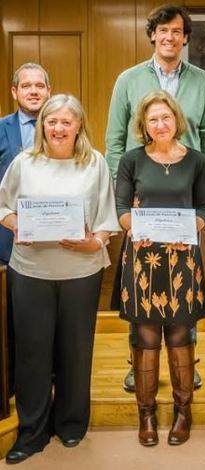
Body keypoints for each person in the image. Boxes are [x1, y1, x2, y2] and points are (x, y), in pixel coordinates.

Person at [0, 94, 120, 464]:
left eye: (66, 121)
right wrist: (18, 224)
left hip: (81, 272)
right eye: (51, 122)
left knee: (75, 351)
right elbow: (3, 206)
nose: (58, 128)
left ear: (79, 125)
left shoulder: (94, 163)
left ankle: (71, 424)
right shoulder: (25, 162)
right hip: (31, 271)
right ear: (42, 126)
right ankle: (32, 431)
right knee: (33, 354)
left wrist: (93, 243)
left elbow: (106, 218)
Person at [105, 4, 205, 392]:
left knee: (184, 282)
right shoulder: (128, 79)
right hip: (142, 197)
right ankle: (138, 363)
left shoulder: (203, 80)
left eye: (177, 31)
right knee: (141, 281)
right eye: (162, 31)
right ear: (152, 35)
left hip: (185, 200)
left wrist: (202, 196)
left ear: (186, 38)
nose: (169, 37)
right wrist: (125, 189)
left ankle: (187, 359)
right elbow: (115, 140)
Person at [115, 90, 205, 447]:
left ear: (177, 121)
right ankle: (147, 414)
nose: (160, 124)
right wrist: (133, 227)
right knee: (145, 338)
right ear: (144, 125)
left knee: (179, 336)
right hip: (141, 260)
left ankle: (183, 412)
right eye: (153, 119)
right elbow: (122, 208)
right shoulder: (131, 160)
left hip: (182, 260)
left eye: (166, 118)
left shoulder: (197, 162)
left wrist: (190, 229)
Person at [0, 63, 51, 399]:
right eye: (27, 85)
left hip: (55, 242)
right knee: (10, 320)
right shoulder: (1, 129)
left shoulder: (62, 126)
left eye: (40, 85)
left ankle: (51, 381)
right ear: (15, 92)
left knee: (48, 321)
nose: (34, 91)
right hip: (8, 241)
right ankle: (13, 384)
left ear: (49, 90)